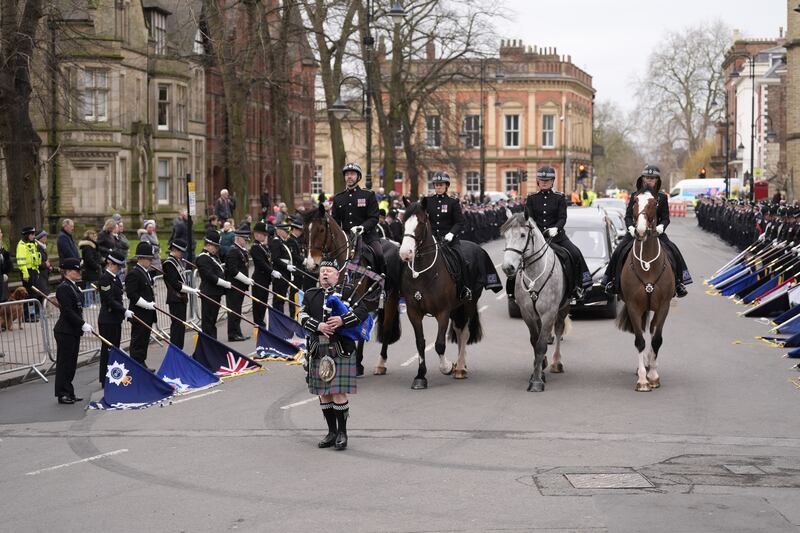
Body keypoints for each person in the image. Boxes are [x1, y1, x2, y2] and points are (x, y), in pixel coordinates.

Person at [298, 257, 370, 451]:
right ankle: (331, 432)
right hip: (318, 348)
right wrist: (318, 326)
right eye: (322, 270)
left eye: (329, 271)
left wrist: (342, 320)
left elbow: (363, 312)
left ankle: (342, 433)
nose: (325, 273)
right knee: (324, 394)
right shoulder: (311, 294)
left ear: (337, 275)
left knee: (338, 392)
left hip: (341, 348)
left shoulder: (348, 292)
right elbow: (301, 315)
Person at [602, 164, 691, 298]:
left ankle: (679, 282)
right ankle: (610, 280)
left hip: (655, 233)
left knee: (674, 250)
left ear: (657, 180)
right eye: (647, 178)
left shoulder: (662, 197)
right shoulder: (635, 196)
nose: (649, 180)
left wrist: (661, 227)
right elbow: (627, 216)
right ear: (643, 179)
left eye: (652, 178)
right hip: (636, 231)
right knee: (619, 251)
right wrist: (631, 228)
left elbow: (666, 218)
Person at [519, 165, 592, 300]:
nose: (544, 182)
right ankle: (514, 290)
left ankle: (579, 285)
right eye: (542, 180)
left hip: (557, 237)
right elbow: (529, 219)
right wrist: (538, 232)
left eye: (548, 180)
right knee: (517, 257)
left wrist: (556, 228)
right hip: (537, 238)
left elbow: (562, 217)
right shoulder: (531, 198)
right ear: (538, 181)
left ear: (553, 181)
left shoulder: (559, 197)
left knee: (575, 253)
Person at [331, 162, 384, 275]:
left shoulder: (368, 195)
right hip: (346, 238)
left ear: (358, 177)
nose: (349, 177)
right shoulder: (338, 198)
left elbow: (374, 218)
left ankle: (382, 282)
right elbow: (335, 221)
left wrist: (362, 227)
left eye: (352, 174)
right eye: (347, 174)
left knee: (379, 254)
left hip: (367, 236)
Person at [424, 171, 470, 299]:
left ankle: (464, 289)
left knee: (461, 259)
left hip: (449, 240)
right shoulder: (427, 201)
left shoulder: (452, 202)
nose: (438, 187)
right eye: (436, 185)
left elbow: (460, 222)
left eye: (441, 185)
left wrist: (451, 233)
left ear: (446, 186)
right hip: (431, 240)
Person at [53, 258, 91, 404]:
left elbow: (77, 306)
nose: (79, 272)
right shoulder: (63, 288)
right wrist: (82, 324)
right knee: (64, 364)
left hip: (73, 330)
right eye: (77, 270)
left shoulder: (73, 286)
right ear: (68, 272)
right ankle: (62, 393)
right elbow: (68, 311)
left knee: (71, 364)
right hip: (65, 330)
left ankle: (69, 391)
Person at [97, 251, 128, 385]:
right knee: (108, 350)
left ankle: (114, 375)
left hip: (115, 318)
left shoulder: (115, 278)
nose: (119, 269)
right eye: (118, 266)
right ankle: (105, 378)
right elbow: (108, 299)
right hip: (107, 319)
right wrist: (124, 310)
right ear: (110, 264)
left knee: (115, 349)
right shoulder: (105, 278)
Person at [125, 242, 157, 366]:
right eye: (149, 259)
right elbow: (132, 295)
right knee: (138, 341)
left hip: (147, 314)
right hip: (139, 313)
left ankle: (141, 362)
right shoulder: (134, 273)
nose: (150, 261)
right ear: (141, 258)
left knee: (144, 340)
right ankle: (136, 365)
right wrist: (147, 305)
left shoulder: (145, 272)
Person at [162, 239, 197, 350]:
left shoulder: (177, 261)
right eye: (181, 251)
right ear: (175, 250)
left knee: (181, 326)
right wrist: (192, 291)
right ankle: (175, 350)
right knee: (177, 327)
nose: (182, 254)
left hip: (181, 298)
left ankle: (179, 350)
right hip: (175, 298)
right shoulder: (169, 263)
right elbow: (175, 284)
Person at [195, 229, 231, 338]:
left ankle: (212, 344)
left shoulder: (212, 257)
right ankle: (208, 346)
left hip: (215, 293)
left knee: (212, 322)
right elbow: (209, 276)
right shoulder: (203, 258)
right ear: (209, 245)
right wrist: (224, 283)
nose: (216, 249)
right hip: (209, 293)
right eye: (215, 246)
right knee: (208, 323)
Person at [224, 227, 254, 342]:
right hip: (234, 286)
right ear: (238, 238)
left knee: (237, 311)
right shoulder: (233, 251)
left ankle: (237, 332)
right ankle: (233, 334)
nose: (246, 242)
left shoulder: (240, 250)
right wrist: (246, 280)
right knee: (234, 311)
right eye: (244, 239)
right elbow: (233, 270)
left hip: (239, 286)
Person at [251, 221, 278, 327]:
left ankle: (260, 319)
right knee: (258, 301)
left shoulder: (263, 247)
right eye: (264, 235)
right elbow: (261, 263)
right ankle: (257, 321)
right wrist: (271, 271)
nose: (265, 237)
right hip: (259, 278)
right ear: (257, 234)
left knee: (263, 300)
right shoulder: (255, 247)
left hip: (265, 278)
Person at [16, 226, 41, 321]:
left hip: (33, 271)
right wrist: (25, 273)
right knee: (28, 294)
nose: (34, 236)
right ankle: (27, 316)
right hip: (27, 272)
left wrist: (37, 271)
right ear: (27, 235)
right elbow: (21, 261)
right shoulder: (21, 245)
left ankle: (32, 314)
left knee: (33, 294)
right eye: (32, 234)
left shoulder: (32, 244)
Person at [269, 222, 293, 315]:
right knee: (278, 300)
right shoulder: (276, 242)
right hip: (280, 274)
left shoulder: (282, 241)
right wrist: (287, 265)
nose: (287, 233)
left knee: (282, 299)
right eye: (285, 231)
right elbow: (275, 258)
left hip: (285, 273)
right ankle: (278, 318)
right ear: (279, 231)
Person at [79, 230, 103, 307]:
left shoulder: (93, 245)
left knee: (92, 286)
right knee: (89, 286)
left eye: (96, 235)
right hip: (90, 270)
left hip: (92, 269)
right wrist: (96, 266)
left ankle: (92, 302)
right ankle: (88, 303)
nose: (96, 237)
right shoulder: (88, 247)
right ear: (90, 236)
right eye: (94, 235)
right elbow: (89, 259)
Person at [35, 230, 51, 300]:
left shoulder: (42, 247)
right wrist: (45, 264)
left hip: (44, 276)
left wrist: (49, 266)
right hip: (39, 276)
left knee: (43, 296)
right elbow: (36, 262)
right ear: (40, 238)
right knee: (42, 296)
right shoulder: (37, 247)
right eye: (44, 236)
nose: (46, 238)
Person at [0, 228, 10, 303]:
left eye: (1, 232)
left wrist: (7, 259)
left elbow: (8, 268)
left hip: (3, 283)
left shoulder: (3, 248)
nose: (1, 235)